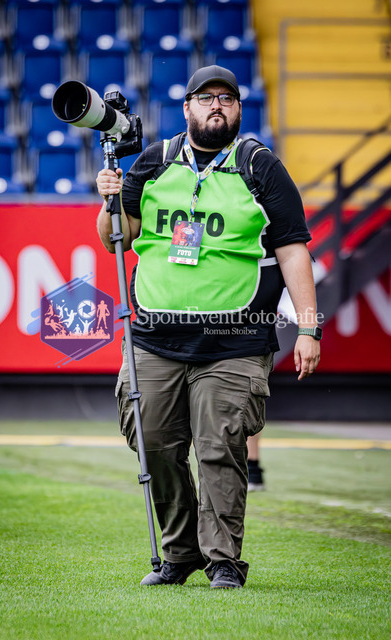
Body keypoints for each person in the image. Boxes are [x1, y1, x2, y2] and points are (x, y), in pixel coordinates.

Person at [96, 65, 321, 589]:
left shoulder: (261, 167)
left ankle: (223, 560)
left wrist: (309, 329)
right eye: (205, 97)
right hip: (154, 338)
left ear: (239, 109)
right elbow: (115, 238)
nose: (215, 105)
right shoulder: (152, 163)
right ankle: (179, 555)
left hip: (235, 342)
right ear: (187, 108)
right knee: (153, 442)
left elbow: (293, 251)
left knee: (219, 445)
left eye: (226, 98)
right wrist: (108, 198)